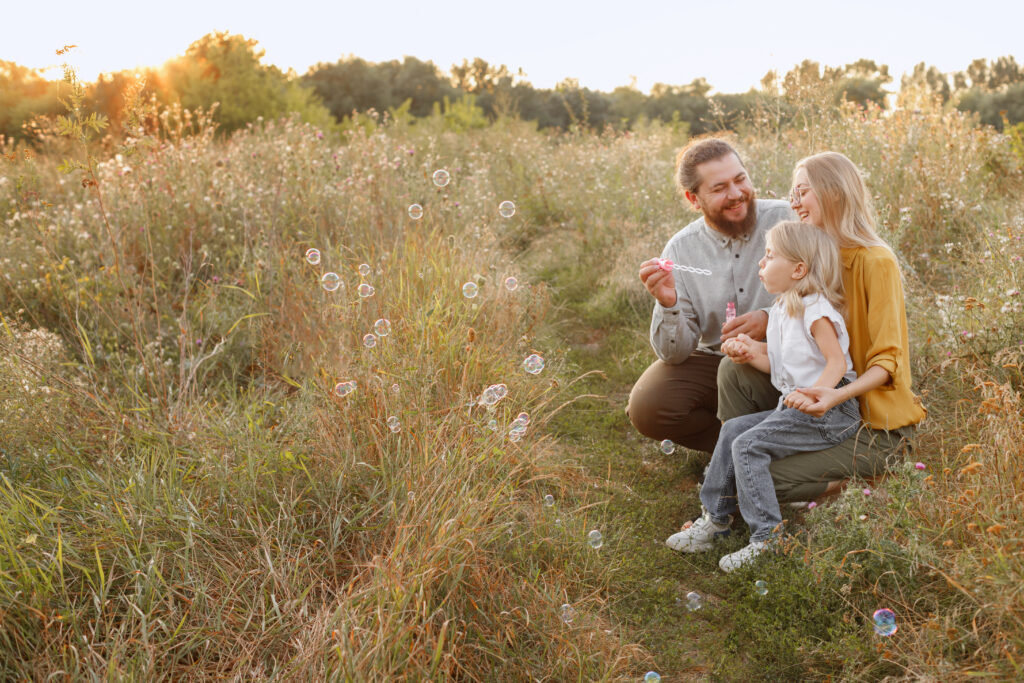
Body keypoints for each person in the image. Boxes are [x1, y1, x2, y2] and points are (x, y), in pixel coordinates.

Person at [716, 151, 927, 507]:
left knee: (766, 480)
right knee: (732, 370)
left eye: (803, 192)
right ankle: (735, 468)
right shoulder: (813, 261)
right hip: (822, 408)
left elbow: (887, 362)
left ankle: (848, 481)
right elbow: (803, 350)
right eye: (792, 195)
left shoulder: (875, 261)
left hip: (871, 424)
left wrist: (834, 395)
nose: (795, 203)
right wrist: (755, 350)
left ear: (834, 192)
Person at [665, 221, 861, 571]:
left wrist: (821, 394)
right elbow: (784, 366)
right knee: (733, 431)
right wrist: (748, 353)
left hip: (830, 410)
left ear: (799, 269)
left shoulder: (817, 311)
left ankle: (767, 539)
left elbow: (836, 362)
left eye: (769, 256)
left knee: (748, 445)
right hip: (796, 406)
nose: (761, 263)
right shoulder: (784, 308)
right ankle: (716, 521)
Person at [628, 138, 793, 453]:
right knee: (648, 405)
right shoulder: (681, 249)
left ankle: (774, 452)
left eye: (740, 179)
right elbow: (674, 354)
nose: (736, 194)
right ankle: (736, 452)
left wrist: (769, 318)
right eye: (719, 188)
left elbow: (832, 290)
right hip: (720, 362)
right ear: (694, 199)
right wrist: (668, 303)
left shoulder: (789, 220)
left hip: (794, 356)